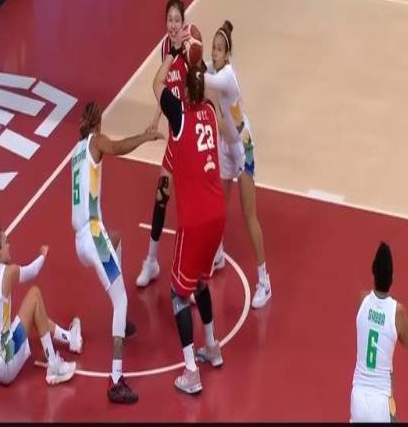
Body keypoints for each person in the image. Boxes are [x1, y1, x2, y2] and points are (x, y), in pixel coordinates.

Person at [71, 101, 162, 403]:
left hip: (81, 239)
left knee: (118, 239)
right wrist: (146, 136)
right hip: (93, 235)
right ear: (98, 123)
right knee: (120, 299)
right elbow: (119, 147)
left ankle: (121, 322)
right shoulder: (97, 142)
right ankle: (115, 380)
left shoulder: (76, 151)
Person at [152, 47, 226, 394]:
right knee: (201, 282)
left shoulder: (179, 115)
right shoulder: (210, 111)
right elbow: (205, 94)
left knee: (178, 292)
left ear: (184, 89)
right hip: (217, 214)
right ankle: (211, 347)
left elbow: (156, 85)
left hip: (194, 219)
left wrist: (173, 54)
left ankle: (190, 371)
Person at [203, 20, 271, 309]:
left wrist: (190, 63)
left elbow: (204, 79)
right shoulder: (213, 68)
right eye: (213, 48)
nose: (215, 53)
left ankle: (264, 281)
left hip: (243, 146)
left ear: (228, 54)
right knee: (218, 206)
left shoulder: (227, 76)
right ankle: (217, 253)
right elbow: (203, 68)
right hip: (225, 145)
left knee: (248, 214)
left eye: (220, 49)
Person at [0, 228, 80, 386]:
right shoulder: (8, 272)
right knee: (34, 295)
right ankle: (54, 365)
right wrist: (43, 255)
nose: (9, 245)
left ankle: (70, 338)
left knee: (34, 312)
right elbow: (32, 271)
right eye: (6, 242)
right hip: (5, 361)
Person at [136, 0, 190, 288]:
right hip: (174, 137)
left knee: (192, 204)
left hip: (189, 137)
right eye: (169, 19)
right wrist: (156, 119)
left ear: (184, 22)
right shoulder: (165, 48)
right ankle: (151, 261)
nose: (172, 24)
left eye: (177, 20)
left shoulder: (191, 49)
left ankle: (209, 256)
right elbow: (163, 88)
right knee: (162, 195)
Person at [350, 242, 408, 422]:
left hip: (358, 396)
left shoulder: (362, 300)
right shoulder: (397, 312)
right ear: (392, 277)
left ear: (373, 272)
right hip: (380, 400)